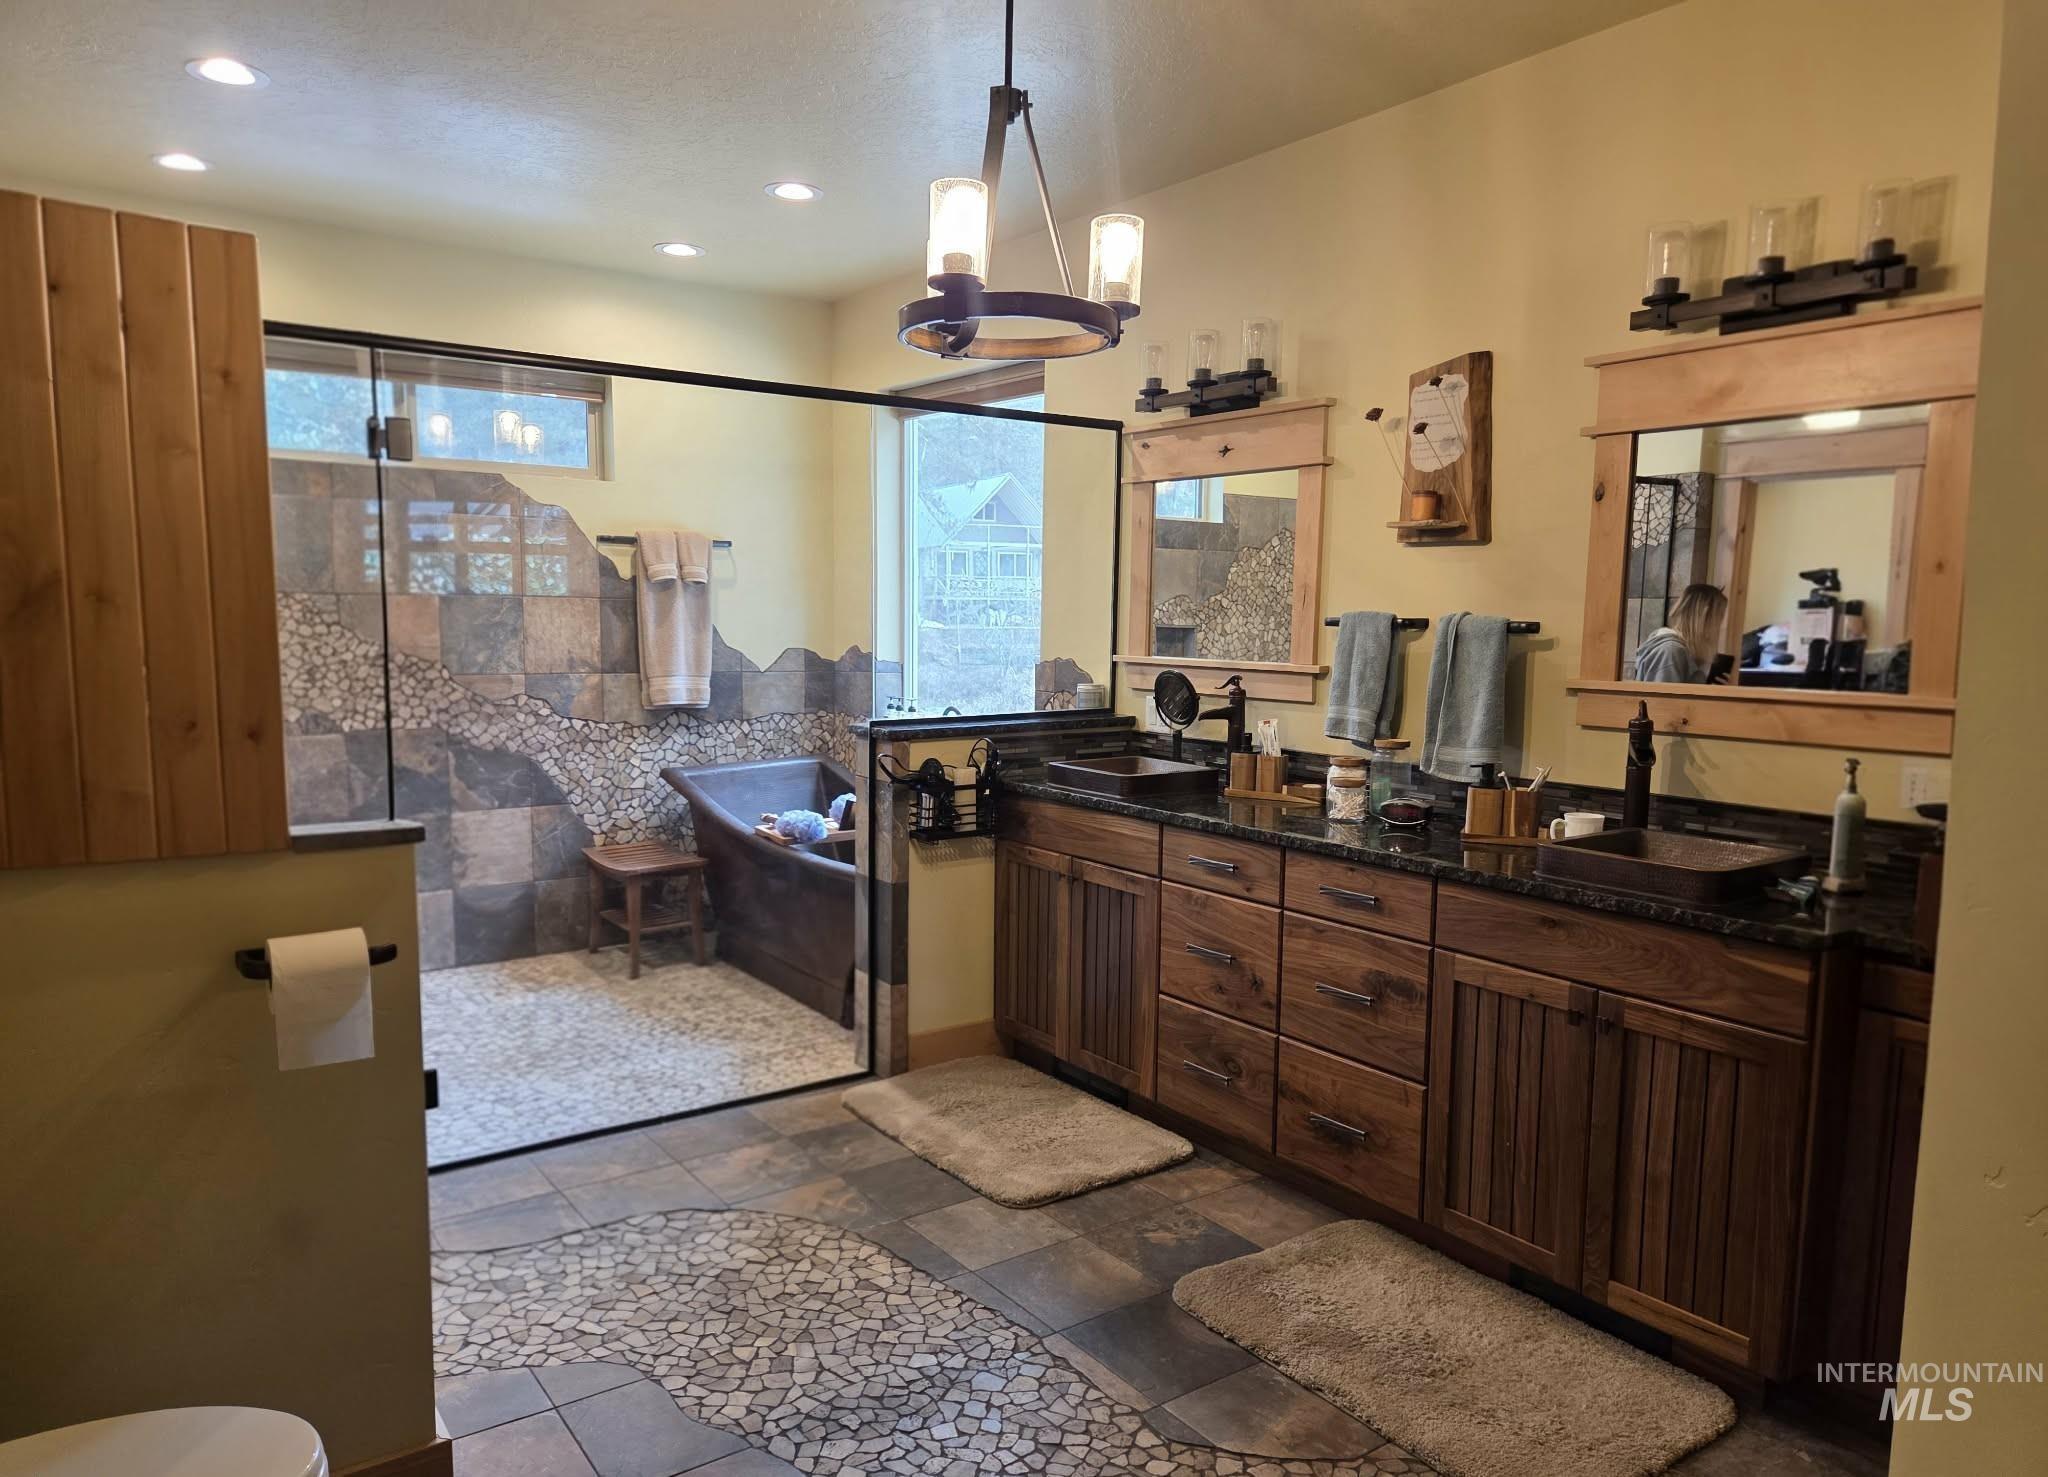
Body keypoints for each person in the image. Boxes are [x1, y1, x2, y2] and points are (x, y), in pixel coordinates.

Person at [1633, 583, 1729, 684]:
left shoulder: (1684, 652)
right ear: (1704, 617)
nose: (1721, 626)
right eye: (1720, 617)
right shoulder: (1671, 651)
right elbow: (1662, 699)